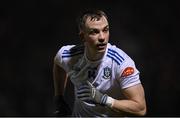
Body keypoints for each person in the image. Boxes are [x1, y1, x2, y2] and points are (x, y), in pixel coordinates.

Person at [53, 9, 147, 117]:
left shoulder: (121, 63)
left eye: (105, 30)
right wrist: (59, 98)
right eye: (95, 32)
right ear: (82, 36)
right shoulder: (68, 56)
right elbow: (58, 63)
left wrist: (104, 100)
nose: (102, 37)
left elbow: (140, 108)